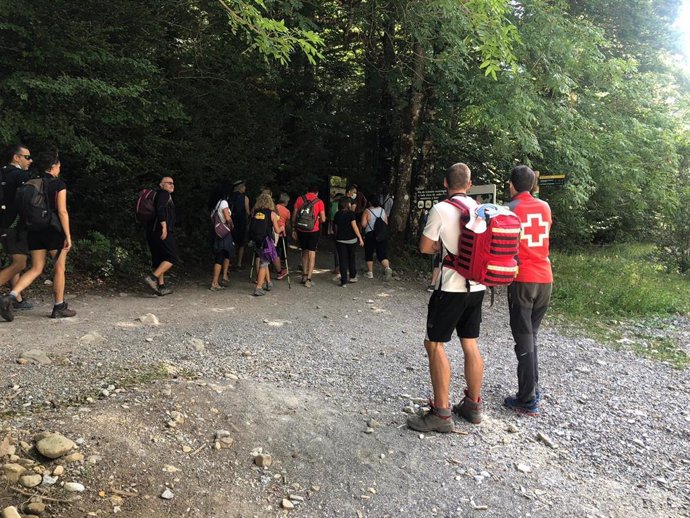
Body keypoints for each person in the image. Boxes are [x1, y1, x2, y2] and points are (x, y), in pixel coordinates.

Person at [406, 163, 486, 432]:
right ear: (470, 184)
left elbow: (426, 247)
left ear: (445, 183)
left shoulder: (441, 209)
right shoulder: (480, 210)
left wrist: (442, 245)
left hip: (450, 288)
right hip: (477, 287)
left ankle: (441, 413)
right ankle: (473, 405)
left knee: (435, 345)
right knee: (470, 344)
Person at [0, 151, 76, 321]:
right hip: (53, 231)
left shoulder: (32, 183)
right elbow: (62, 211)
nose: (59, 169)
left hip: (34, 231)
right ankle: (59, 306)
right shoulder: (58, 185)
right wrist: (68, 236)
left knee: (35, 268)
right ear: (53, 167)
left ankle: (10, 297)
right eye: (58, 166)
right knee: (59, 268)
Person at [503, 165, 553, 416]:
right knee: (531, 335)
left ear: (511, 185)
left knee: (523, 337)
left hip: (522, 279)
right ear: (533, 185)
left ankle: (527, 398)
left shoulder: (510, 209)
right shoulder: (545, 207)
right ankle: (533, 387)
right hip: (545, 278)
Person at [0, 144, 33, 311]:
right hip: (15, 225)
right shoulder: (21, 175)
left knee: (16, 260)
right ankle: (12, 297)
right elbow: (27, 202)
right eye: (27, 157)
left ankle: (16, 297)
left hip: (4, 224)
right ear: (16, 157)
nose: (30, 160)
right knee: (20, 263)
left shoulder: (3, 172)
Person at [144, 176, 177, 296]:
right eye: (168, 183)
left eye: (173, 183)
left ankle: (161, 286)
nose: (172, 185)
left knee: (160, 258)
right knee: (171, 257)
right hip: (161, 231)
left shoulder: (156, 195)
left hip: (151, 232)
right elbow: (160, 208)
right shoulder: (163, 194)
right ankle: (152, 278)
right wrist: (164, 226)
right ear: (161, 185)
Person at [291, 185, 326, 288]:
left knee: (304, 252)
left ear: (308, 191)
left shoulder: (300, 199)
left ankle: (304, 275)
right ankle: (309, 279)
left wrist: (293, 229)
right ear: (317, 192)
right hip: (313, 230)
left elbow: (294, 215)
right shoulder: (319, 201)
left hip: (301, 229)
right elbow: (323, 219)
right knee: (312, 253)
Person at [251, 193, 281, 296]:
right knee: (264, 264)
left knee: (264, 261)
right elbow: (277, 230)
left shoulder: (255, 212)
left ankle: (268, 283)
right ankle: (259, 287)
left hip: (257, 240)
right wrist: (282, 228)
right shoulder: (271, 214)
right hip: (266, 241)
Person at [360, 196, 394, 281]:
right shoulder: (382, 210)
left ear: (370, 202)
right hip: (381, 234)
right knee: (381, 253)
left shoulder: (367, 211)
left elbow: (363, 224)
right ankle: (387, 268)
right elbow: (386, 222)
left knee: (369, 252)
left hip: (370, 234)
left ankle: (370, 273)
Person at [208, 182, 234, 290]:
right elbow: (227, 218)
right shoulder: (224, 203)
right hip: (224, 233)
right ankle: (215, 282)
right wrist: (231, 224)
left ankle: (222, 277)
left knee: (224, 254)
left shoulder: (215, 204)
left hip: (217, 232)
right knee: (221, 256)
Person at [333, 196, 364, 286]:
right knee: (351, 258)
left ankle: (343, 281)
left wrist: (336, 236)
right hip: (352, 240)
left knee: (342, 260)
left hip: (340, 240)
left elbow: (336, 227)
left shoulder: (337, 214)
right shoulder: (351, 214)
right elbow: (355, 227)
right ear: (347, 204)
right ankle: (352, 276)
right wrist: (360, 238)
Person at [230, 180, 250, 269]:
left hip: (231, 221)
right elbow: (247, 212)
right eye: (244, 186)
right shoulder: (244, 197)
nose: (245, 188)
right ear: (241, 187)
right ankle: (239, 263)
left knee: (232, 241)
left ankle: (230, 261)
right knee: (241, 243)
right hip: (241, 222)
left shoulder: (230, 196)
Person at [274, 192, 290, 280]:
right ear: (286, 201)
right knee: (280, 252)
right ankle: (280, 269)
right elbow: (287, 224)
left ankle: (275, 267)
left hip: (272, 232)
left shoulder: (273, 207)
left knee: (275, 250)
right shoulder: (287, 211)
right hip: (281, 233)